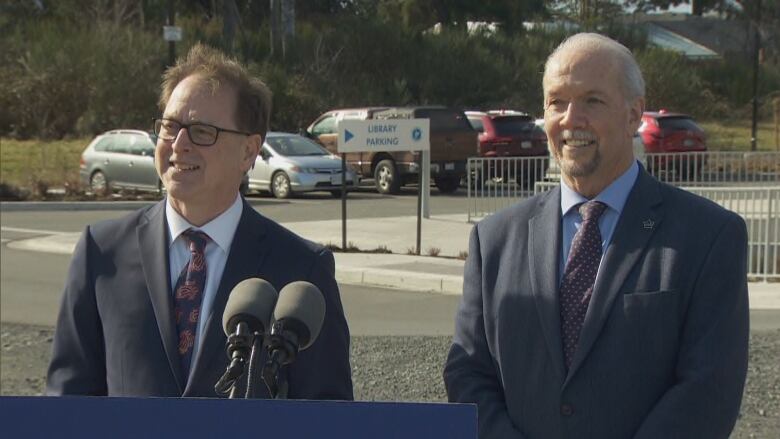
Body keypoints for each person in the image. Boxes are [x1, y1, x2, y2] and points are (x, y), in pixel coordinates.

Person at [444, 33, 748, 439]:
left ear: (633, 115)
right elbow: (469, 373)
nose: (571, 119)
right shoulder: (494, 241)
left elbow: (708, 390)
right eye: (557, 102)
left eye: (592, 100)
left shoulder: (708, 237)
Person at [46, 44, 353, 399]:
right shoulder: (100, 254)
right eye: (170, 126)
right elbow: (67, 404)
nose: (179, 144)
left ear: (249, 151)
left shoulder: (302, 271)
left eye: (202, 131)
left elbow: (328, 416)